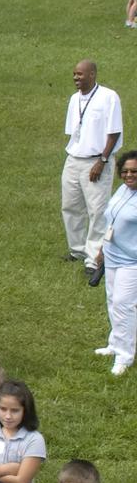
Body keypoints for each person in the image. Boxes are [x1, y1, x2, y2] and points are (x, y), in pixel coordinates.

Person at [61, 59, 123, 276]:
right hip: (74, 158)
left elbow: (114, 132)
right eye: (74, 74)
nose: (76, 78)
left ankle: (93, 257)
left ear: (93, 74)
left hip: (97, 160)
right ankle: (76, 249)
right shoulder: (74, 99)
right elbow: (74, 131)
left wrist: (103, 161)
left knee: (97, 210)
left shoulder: (108, 97)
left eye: (80, 74)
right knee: (70, 205)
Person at [96, 151, 137, 375]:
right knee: (113, 300)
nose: (129, 175)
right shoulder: (123, 189)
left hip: (132, 261)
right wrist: (102, 247)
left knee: (123, 304)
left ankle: (125, 355)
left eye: (134, 171)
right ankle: (115, 343)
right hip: (112, 255)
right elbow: (111, 220)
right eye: (125, 171)